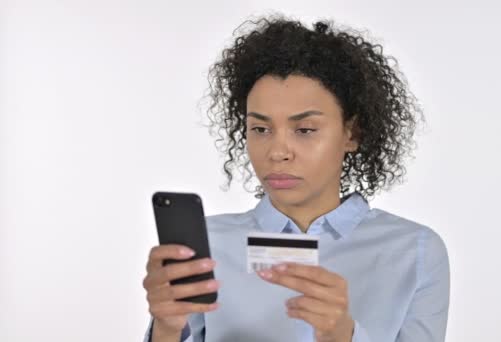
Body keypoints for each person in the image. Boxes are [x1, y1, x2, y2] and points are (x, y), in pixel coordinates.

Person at [142, 14, 450, 342]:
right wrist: (166, 329)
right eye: (260, 129)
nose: (277, 152)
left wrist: (345, 336)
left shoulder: (414, 251)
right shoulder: (207, 247)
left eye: (304, 130)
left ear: (352, 134)